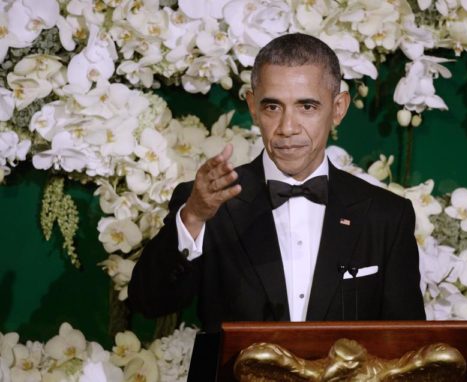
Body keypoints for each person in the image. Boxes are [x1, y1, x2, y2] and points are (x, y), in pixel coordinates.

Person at [128, 33, 425, 333]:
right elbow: (149, 303)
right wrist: (192, 218)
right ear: (253, 107)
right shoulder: (207, 203)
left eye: (306, 107)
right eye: (272, 107)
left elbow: (408, 346)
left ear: (338, 108)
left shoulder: (386, 215)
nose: (287, 128)